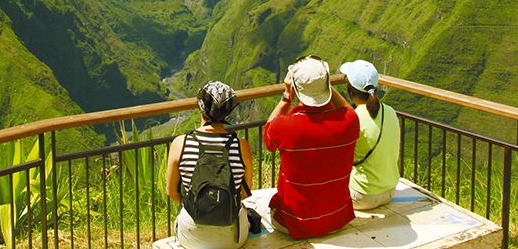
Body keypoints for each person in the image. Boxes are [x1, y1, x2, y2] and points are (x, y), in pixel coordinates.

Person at [264, 55, 358, 239]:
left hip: (294, 223)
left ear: (295, 88)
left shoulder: (284, 126)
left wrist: (285, 97)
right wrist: (324, 85)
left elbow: (268, 138)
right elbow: (348, 109)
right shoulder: (349, 122)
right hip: (337, 219)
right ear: (327, 85)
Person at [166, 81, 254, 249]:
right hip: (231, 237)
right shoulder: (241, 146)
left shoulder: (180, 143)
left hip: (192, 233)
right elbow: (245, 191)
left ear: (200, 108)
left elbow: (171, 192)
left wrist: (200, 205)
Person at [340, 59, 401, 210]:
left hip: (361, 196)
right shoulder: (390, 112)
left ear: (350, 89)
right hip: (390, 191)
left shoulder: (354, 119)